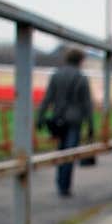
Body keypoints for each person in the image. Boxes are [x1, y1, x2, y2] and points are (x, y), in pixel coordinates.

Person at [36, 47, 95, 196]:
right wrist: (90, 124)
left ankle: (60, 181)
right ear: (80, 61)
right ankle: (64, 186)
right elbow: (87, 103)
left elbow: (47, 98)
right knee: (70, 152)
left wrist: (40, 117)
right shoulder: (82, 78)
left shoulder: (56, 76)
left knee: (61, 151)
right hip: (75, 120)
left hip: (58, 118)